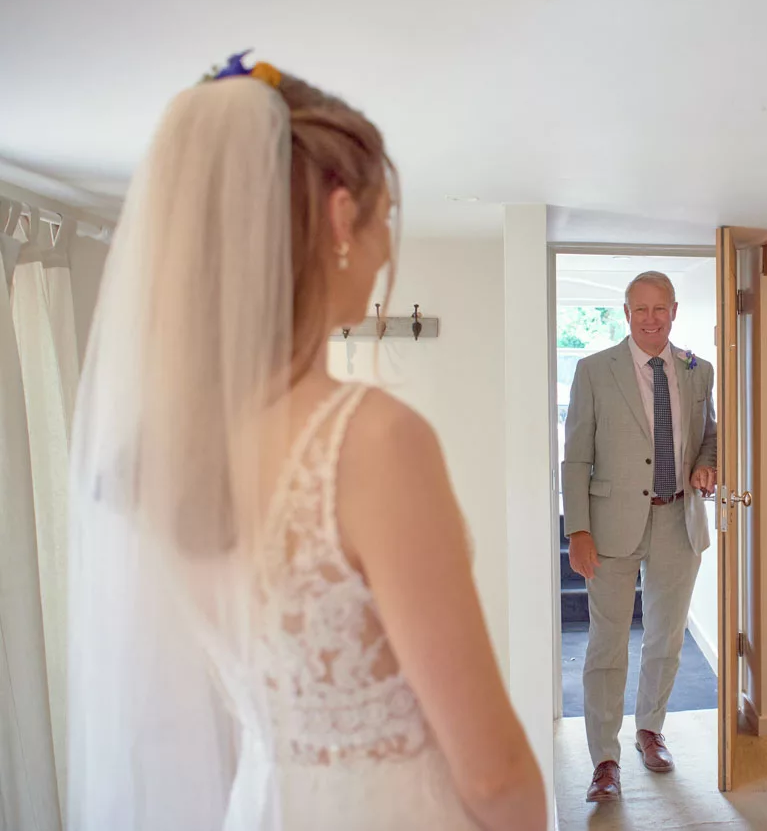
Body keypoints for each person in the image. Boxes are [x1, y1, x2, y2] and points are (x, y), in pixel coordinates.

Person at [65, 54, 545, 831]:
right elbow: (493, 774)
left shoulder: (162, 455)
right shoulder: (374, 441)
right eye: (384, 217)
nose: (388, 249)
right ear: (338, 217)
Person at [561, 271, 717, 802]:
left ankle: (650, 730)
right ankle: (604, 759)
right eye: (640, 310)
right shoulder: (593, 370)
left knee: (665, 639)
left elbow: (711, 435)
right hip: (609, 526)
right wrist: (577, 529)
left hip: (679, 519)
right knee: (607, 646)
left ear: (674, 310)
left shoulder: (699, 372)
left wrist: (706, 465)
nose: (651, 319)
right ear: (625, 314)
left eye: (660, 309)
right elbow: (576, 456)